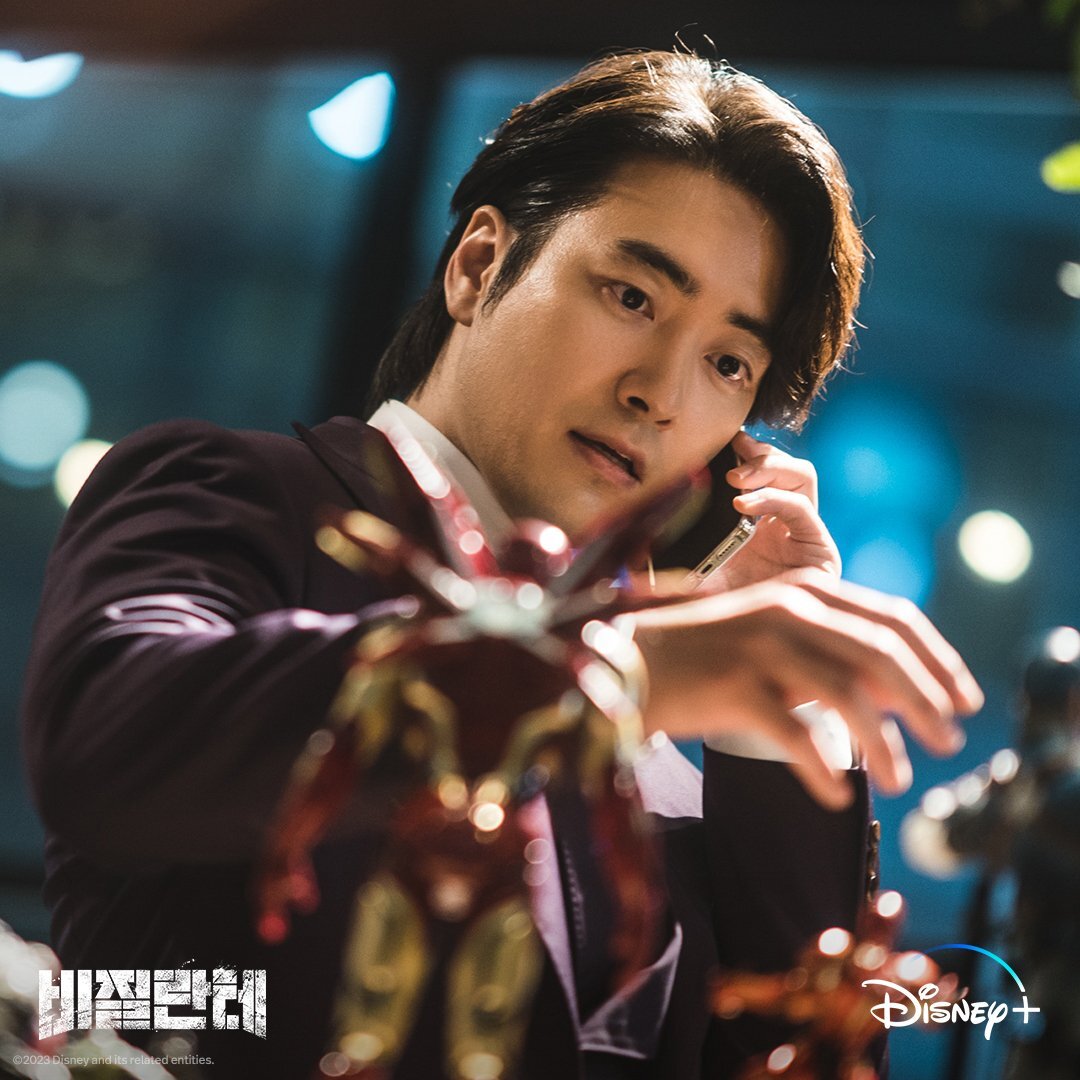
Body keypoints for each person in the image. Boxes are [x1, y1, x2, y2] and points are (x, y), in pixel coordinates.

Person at [22, 49, 982, 1078]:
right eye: (632, 296)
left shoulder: (674, 729)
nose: (661, 393)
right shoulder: (240, 493)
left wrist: (771, 721)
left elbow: (796, 1050)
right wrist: (610, 670)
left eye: (727, 362)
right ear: (479, 266)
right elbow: (110, 746)